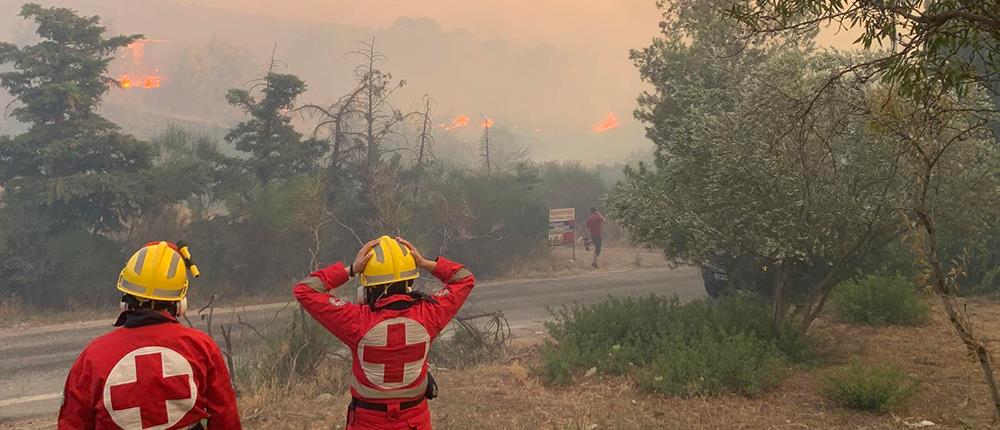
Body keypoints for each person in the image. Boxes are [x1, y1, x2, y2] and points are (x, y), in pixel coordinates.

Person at [293, 236, 475, 430]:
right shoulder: (429, 313)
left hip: (367, 422)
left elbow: (304, 290)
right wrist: (425, 263)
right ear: (409, 282)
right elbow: (464, 278)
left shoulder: (356, 320)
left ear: (368, 287)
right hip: (415, 421)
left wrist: (351, 269)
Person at [59, 241, 241, 430]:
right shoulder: (201, 347)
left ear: (125, 299)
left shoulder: (93, 357)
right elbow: (225, 418)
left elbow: (73, 423)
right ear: (179, 303)